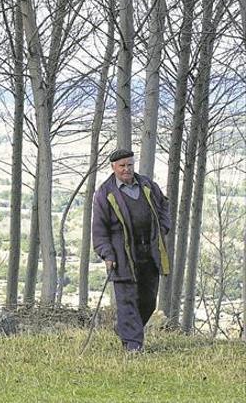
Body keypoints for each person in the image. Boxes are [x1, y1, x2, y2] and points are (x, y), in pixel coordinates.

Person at [91, 148, 172, 353]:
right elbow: (99, 230)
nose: (126, 169)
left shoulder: (147, 185)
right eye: (122, 166)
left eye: (129, 164)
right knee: (127, 301)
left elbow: (164, 206)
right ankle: (133, 346)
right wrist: (107, 254)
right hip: (122, 255)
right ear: (113, 167)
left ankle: (124, 329)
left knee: (148, 301)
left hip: (149, 251)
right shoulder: (105, 193)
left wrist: (163, 228)